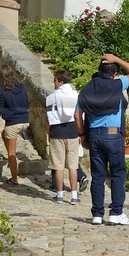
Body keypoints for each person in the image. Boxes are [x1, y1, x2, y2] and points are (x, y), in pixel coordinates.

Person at [75, 52, 129, 226]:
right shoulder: (117, 85)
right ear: (113, 73)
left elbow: (77, 114)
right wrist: (116, 58)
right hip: (113, 135)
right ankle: (116, 213)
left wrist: (82, 135)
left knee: (98, 175)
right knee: (118, 173)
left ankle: (97, 214)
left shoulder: (86, 89)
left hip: (94, 135)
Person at [45, 70, 81, 204]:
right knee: (73, 166)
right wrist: (80, 132)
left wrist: (49, 133)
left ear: (60, 81)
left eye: (54, 80)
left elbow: (48, 118)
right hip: (72, 131)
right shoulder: (76, 95)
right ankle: (74, 195)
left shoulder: (51, 97)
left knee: (58, 166)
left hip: (57, 132)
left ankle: (59, 195)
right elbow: (78, 115)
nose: (53, 83)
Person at [0, 64, 31, 185]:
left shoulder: (0, 90)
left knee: (11, 153)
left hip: (13, 123)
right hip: (25, 120)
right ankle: (11, 162)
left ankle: (14, 179)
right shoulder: (21, 87)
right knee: (4, 134)